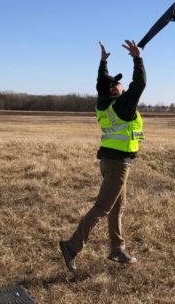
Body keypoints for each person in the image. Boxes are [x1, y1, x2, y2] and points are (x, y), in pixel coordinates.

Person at [59, 40, 146, 271]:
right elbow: (140, 84)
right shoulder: (122, 106)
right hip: (118, 164)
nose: (120, 85)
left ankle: (117, 250)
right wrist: (138, 59)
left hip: (111, 162)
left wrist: (103, 62)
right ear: (113, 90)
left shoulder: (104, 104)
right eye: (117, 83)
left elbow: (102, 83)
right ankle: (72, 246)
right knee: (102, 207)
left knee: (117, 207)